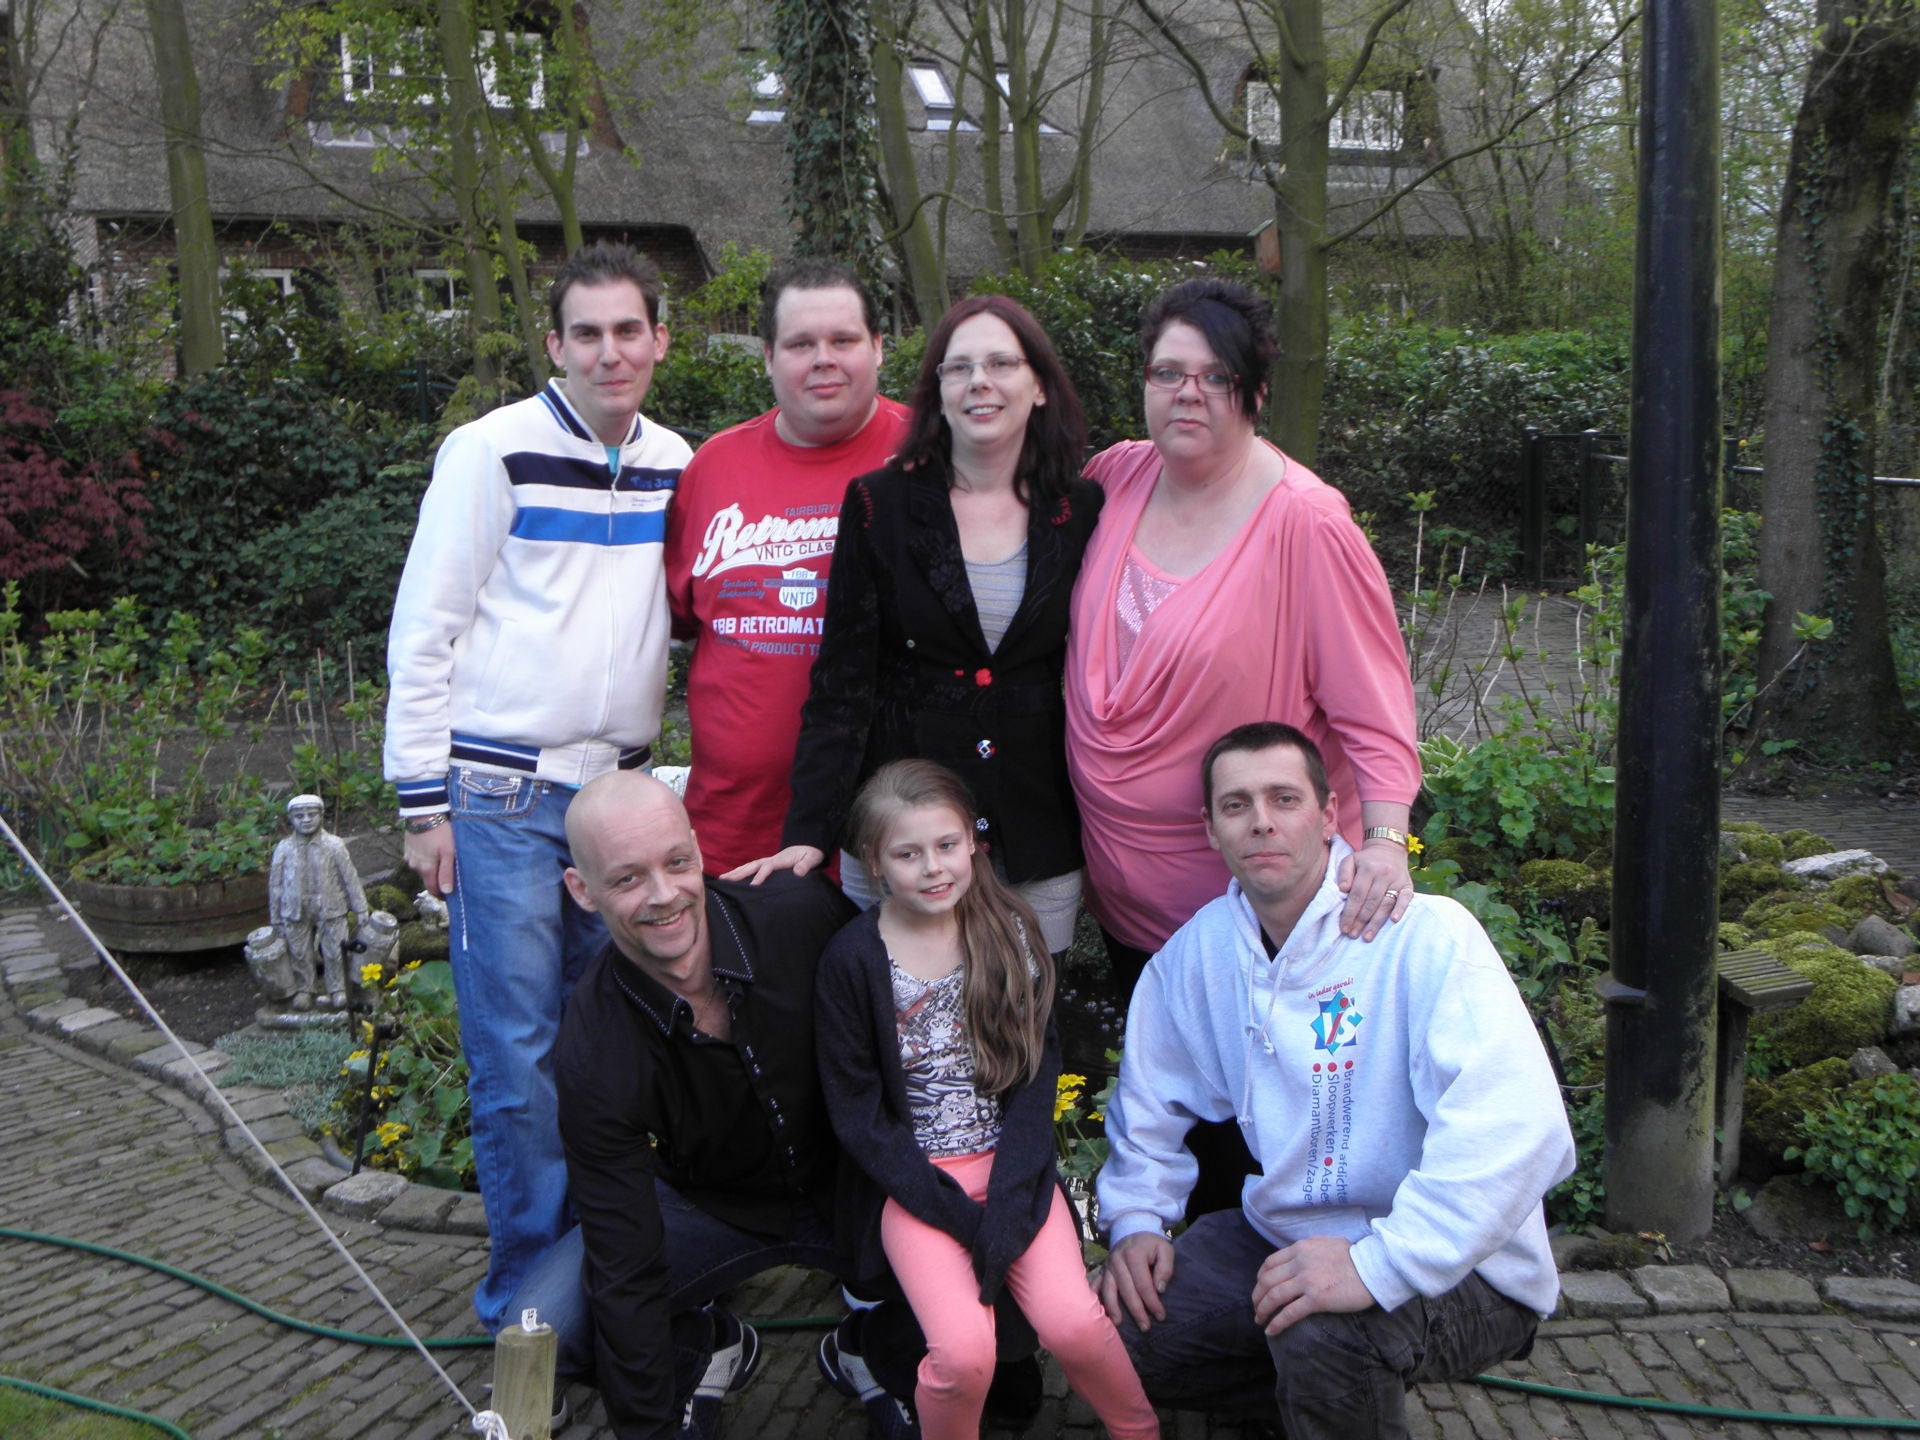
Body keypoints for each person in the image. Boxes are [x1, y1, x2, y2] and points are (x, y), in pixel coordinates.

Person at [1096, 722, 1574, 1440]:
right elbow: (1148, 1104)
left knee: (1323, 1330)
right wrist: (1137, 1219)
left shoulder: (1426, 936)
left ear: (1328, 816)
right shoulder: (1198, 956)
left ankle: (1332, 1385)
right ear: (1210, 829)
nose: (1261, 821)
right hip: (1284, 1236)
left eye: (1284, 798)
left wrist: (1380, 1266)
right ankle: (1310, 1404)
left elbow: (1519, 1126)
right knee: (1118, 1332)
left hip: (1465, 1266)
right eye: (1236, 805)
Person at [383, 241, 690, 1330]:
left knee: (617, 1045)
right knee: (518, 1061)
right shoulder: (491, 451)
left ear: (660, 340)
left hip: (618, 804)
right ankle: (529, 1309)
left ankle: (615, 1276)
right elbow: (426, 626)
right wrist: (422, 804)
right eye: (586, 333)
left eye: (629, 330)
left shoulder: (678, 463)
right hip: (500, 798)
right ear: (554, 345)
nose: (610, 352)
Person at [517, 771, 929, 1440]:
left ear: (698, 849)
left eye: (676, 863)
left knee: (993, 1245)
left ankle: (874, 1352)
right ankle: (704, 1350)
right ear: (582, 891)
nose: (663, 896)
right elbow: (622, 1256)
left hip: (852, 1183)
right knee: (548, 1326)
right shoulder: (592, 1045)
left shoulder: (800, 915)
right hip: (710, 1203)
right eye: (627, 879)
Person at [1065, 278, 1420, 993]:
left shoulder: (1307, 525)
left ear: (1255, 393)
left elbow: (1377, 712)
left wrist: (1386, 845)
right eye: (1168, 372)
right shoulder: (1114, 477)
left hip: (1257, 910)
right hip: (1125, 904)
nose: (1187, 394)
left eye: (1216, 377)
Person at [732, 296, 1101, 959]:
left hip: (1034, 829)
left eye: (1001, 363)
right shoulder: (881, 504)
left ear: (1040, 384)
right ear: (938, 389)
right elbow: (843, 681)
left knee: (1025, 1016)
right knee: (894, 1016)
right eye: (959, 368)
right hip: (904, 838)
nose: (979, 382)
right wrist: (810, 830)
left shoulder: (1081, 509)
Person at [815, 760, 1160, 1440]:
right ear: (874, 862)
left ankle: (1139, 1431)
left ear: (973, 842)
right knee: (963, 1355)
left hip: (1014, 1172)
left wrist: (1010, 1196)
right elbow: (857, 1112)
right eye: (908, 854)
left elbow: (1037, 1072)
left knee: (1075, 1324)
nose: (933, 868)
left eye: (947, 845)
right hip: (917, 1185)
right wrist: (946, 1208)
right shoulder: (852, 960)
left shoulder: (1009, 933)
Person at [664, 260, 911, 874]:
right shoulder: (712, 468)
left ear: (879, 348)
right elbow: (682, 622)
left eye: (844, 340)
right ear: (769, 357)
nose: (823, 359)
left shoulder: (926, 457)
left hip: (888, 837)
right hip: (730, 828)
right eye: (801, 344)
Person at [267, 794, 368, 1011]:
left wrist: (360, 907)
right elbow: (275, 885)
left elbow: (350, 877)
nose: (306, 820)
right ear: (291, 819)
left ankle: (338, 989)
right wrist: (275, 917)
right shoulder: (284, 848)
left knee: (335, 950)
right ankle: (305, 989)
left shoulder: (334, 845)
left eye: (312, 814)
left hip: (331, 906)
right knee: (299, 951)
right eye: (300, 816)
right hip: (295, 909)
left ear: (321, 815)